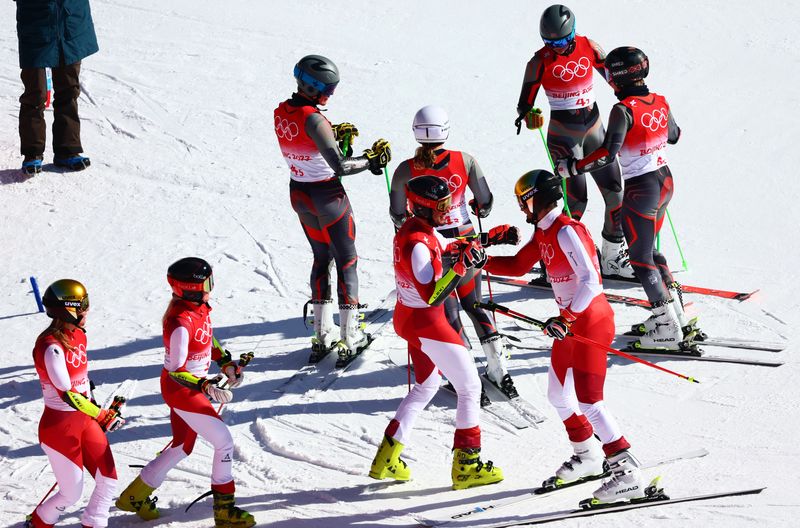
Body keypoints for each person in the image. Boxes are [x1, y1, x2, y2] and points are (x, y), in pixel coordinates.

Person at [483, 170, 644, 504]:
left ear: (537, 198)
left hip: (590, 322)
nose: (521, 206)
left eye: (523, 199)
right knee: (558, 394)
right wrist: (480, 261)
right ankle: (586, 456)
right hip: (569, 325)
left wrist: (567, 316)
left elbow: (591, 281)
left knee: (590, 401)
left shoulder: (567, 231)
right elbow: (516, 266)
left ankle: (628, 474)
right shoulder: (543, 232)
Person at [554, 47, 693, 351]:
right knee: (651, 253)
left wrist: (572, 168)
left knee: (641, 258)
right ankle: (675, 317)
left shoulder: (623, 110)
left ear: (616, 78)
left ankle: (666, 327)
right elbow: (674, 135)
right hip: (665, 180)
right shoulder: (660, 100)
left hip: (642, 189)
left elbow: (607, 155)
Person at [370, 175, 504, 490]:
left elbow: (447, 246)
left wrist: (485, 242)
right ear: (423, 207)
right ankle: (467, 466)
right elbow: (433, 294)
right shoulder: (416, 243)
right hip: (425, 320)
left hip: (411, 318)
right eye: (441, 206)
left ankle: (387, 457)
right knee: (470, 386)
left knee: (427, 385)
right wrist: (460, 268)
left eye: (449, 203)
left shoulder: (420, 230)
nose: (447, 211)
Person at [389, 105, 521, 397]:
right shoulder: (466, 161)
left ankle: (464, 376)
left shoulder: (404, 170)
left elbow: (398, 214)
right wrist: (474, 207)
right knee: (475, 304)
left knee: (449, 313)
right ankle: (499, 371)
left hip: (432, 245)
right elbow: (485, 202)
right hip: (466, 239)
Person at [115, 258, 254, 527]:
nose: (211, 288)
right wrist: (205, 387)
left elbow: (206, 337)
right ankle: (224, 510)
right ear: (191, 288)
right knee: (223, 441)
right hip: (182, 390)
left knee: (182, 446)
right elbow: (176, 370)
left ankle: (134, 495)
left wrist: (225, 362)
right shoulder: (179, 322)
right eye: (207, 283)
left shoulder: (198, 309)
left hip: (192, 387)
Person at [274, 54, 392, 366]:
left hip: (299, 193)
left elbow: (307, 139)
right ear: (312, 87)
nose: (330, 95)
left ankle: (321, 335)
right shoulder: (315, 118)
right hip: (328, 196)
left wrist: (333, 132)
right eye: (327, 90)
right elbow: (338, 165)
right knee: (347, 261)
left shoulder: (282, 111)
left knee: (320, 258)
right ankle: (350, 337)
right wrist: (371, 160)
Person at [515, 4, 634, 280]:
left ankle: (613, 257)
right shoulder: (538, 62)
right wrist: (529, 114)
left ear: (574, 32)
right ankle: (554, 259)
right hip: (563, 135)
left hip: (595, 128)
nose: (560, 47)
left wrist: (633, 97)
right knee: (575, 201)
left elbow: (615, 81)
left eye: (565, 41)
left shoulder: (589, 46)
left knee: (615, 191)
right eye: (552, 43)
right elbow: (524, 103)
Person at [27, 279, 123, 528]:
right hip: (60, 428)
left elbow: (81, 382)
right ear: (68, 309)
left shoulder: (78, 335)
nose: (87, 311)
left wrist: (97, 410)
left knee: (108, 479)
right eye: (83, 306)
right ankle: (38, 523)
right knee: (71, 494)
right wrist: (101, 415)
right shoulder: (51, 347)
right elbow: (67, 394)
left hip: (84, 420)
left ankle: (94, 523)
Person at [16, 0, 97, 175]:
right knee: (35, 92)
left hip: (71, 21)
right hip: (36, 22)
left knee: (69, 89)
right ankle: (32, 153)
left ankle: (68, 149)